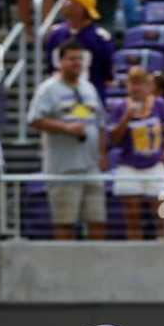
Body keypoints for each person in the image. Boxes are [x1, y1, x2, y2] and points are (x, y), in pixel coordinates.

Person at [28, 43, 107, 240]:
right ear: (60, 61)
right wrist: (65, 128)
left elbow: (101, 123)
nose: (76, 63)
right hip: (63, 169)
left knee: (97, 221)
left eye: (79, 59)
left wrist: (102, 154)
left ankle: (95, 269)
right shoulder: (48, 90)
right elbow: (34, 120)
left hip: (90, 168)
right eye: (71, 59)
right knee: (65, 223)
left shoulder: (88, 88)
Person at [109, 65, 164, 239]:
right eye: (132, 83)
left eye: (140, 83)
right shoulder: (120, 107)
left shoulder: (160, 104)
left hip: (155, 164)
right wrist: (126, 118)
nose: (136, 88)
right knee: (132, 216)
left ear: (149, 85)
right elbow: (114, 140)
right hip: (129, 166)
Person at [44, 0, 115, 101]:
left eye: (69, 0)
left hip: (89, 101)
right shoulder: (55, 34)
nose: (63, 4)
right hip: (57, 100)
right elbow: (51, 68)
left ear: (81, 7)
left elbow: (107, 76)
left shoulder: (101, 38)